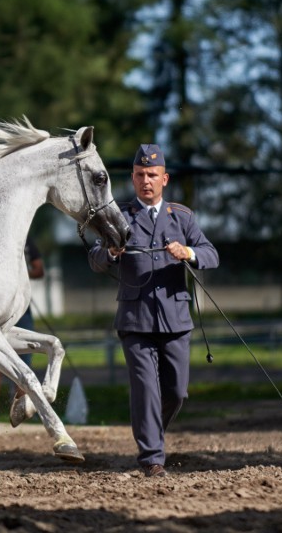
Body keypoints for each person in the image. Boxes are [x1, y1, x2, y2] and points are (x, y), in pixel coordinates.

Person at [88, 144, 219, 478]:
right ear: (132, 178)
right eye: (140, 175)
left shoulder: (182, 216)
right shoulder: (118, 216)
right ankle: (152, 459)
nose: (146, 181)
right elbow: (95, 258)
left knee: (176, 392)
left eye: (152, 175)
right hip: (136, 320)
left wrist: (188, 252)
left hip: (175, 318)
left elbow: (211, 254)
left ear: (165, 178)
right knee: (145, 389)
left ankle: (151, 435)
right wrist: (112, 253)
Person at [0, 235, 44, 421]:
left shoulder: (27, 242)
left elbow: (39, 270)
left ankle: (21, 406)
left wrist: (22, 272)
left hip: (22, 309)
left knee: (24, 360)